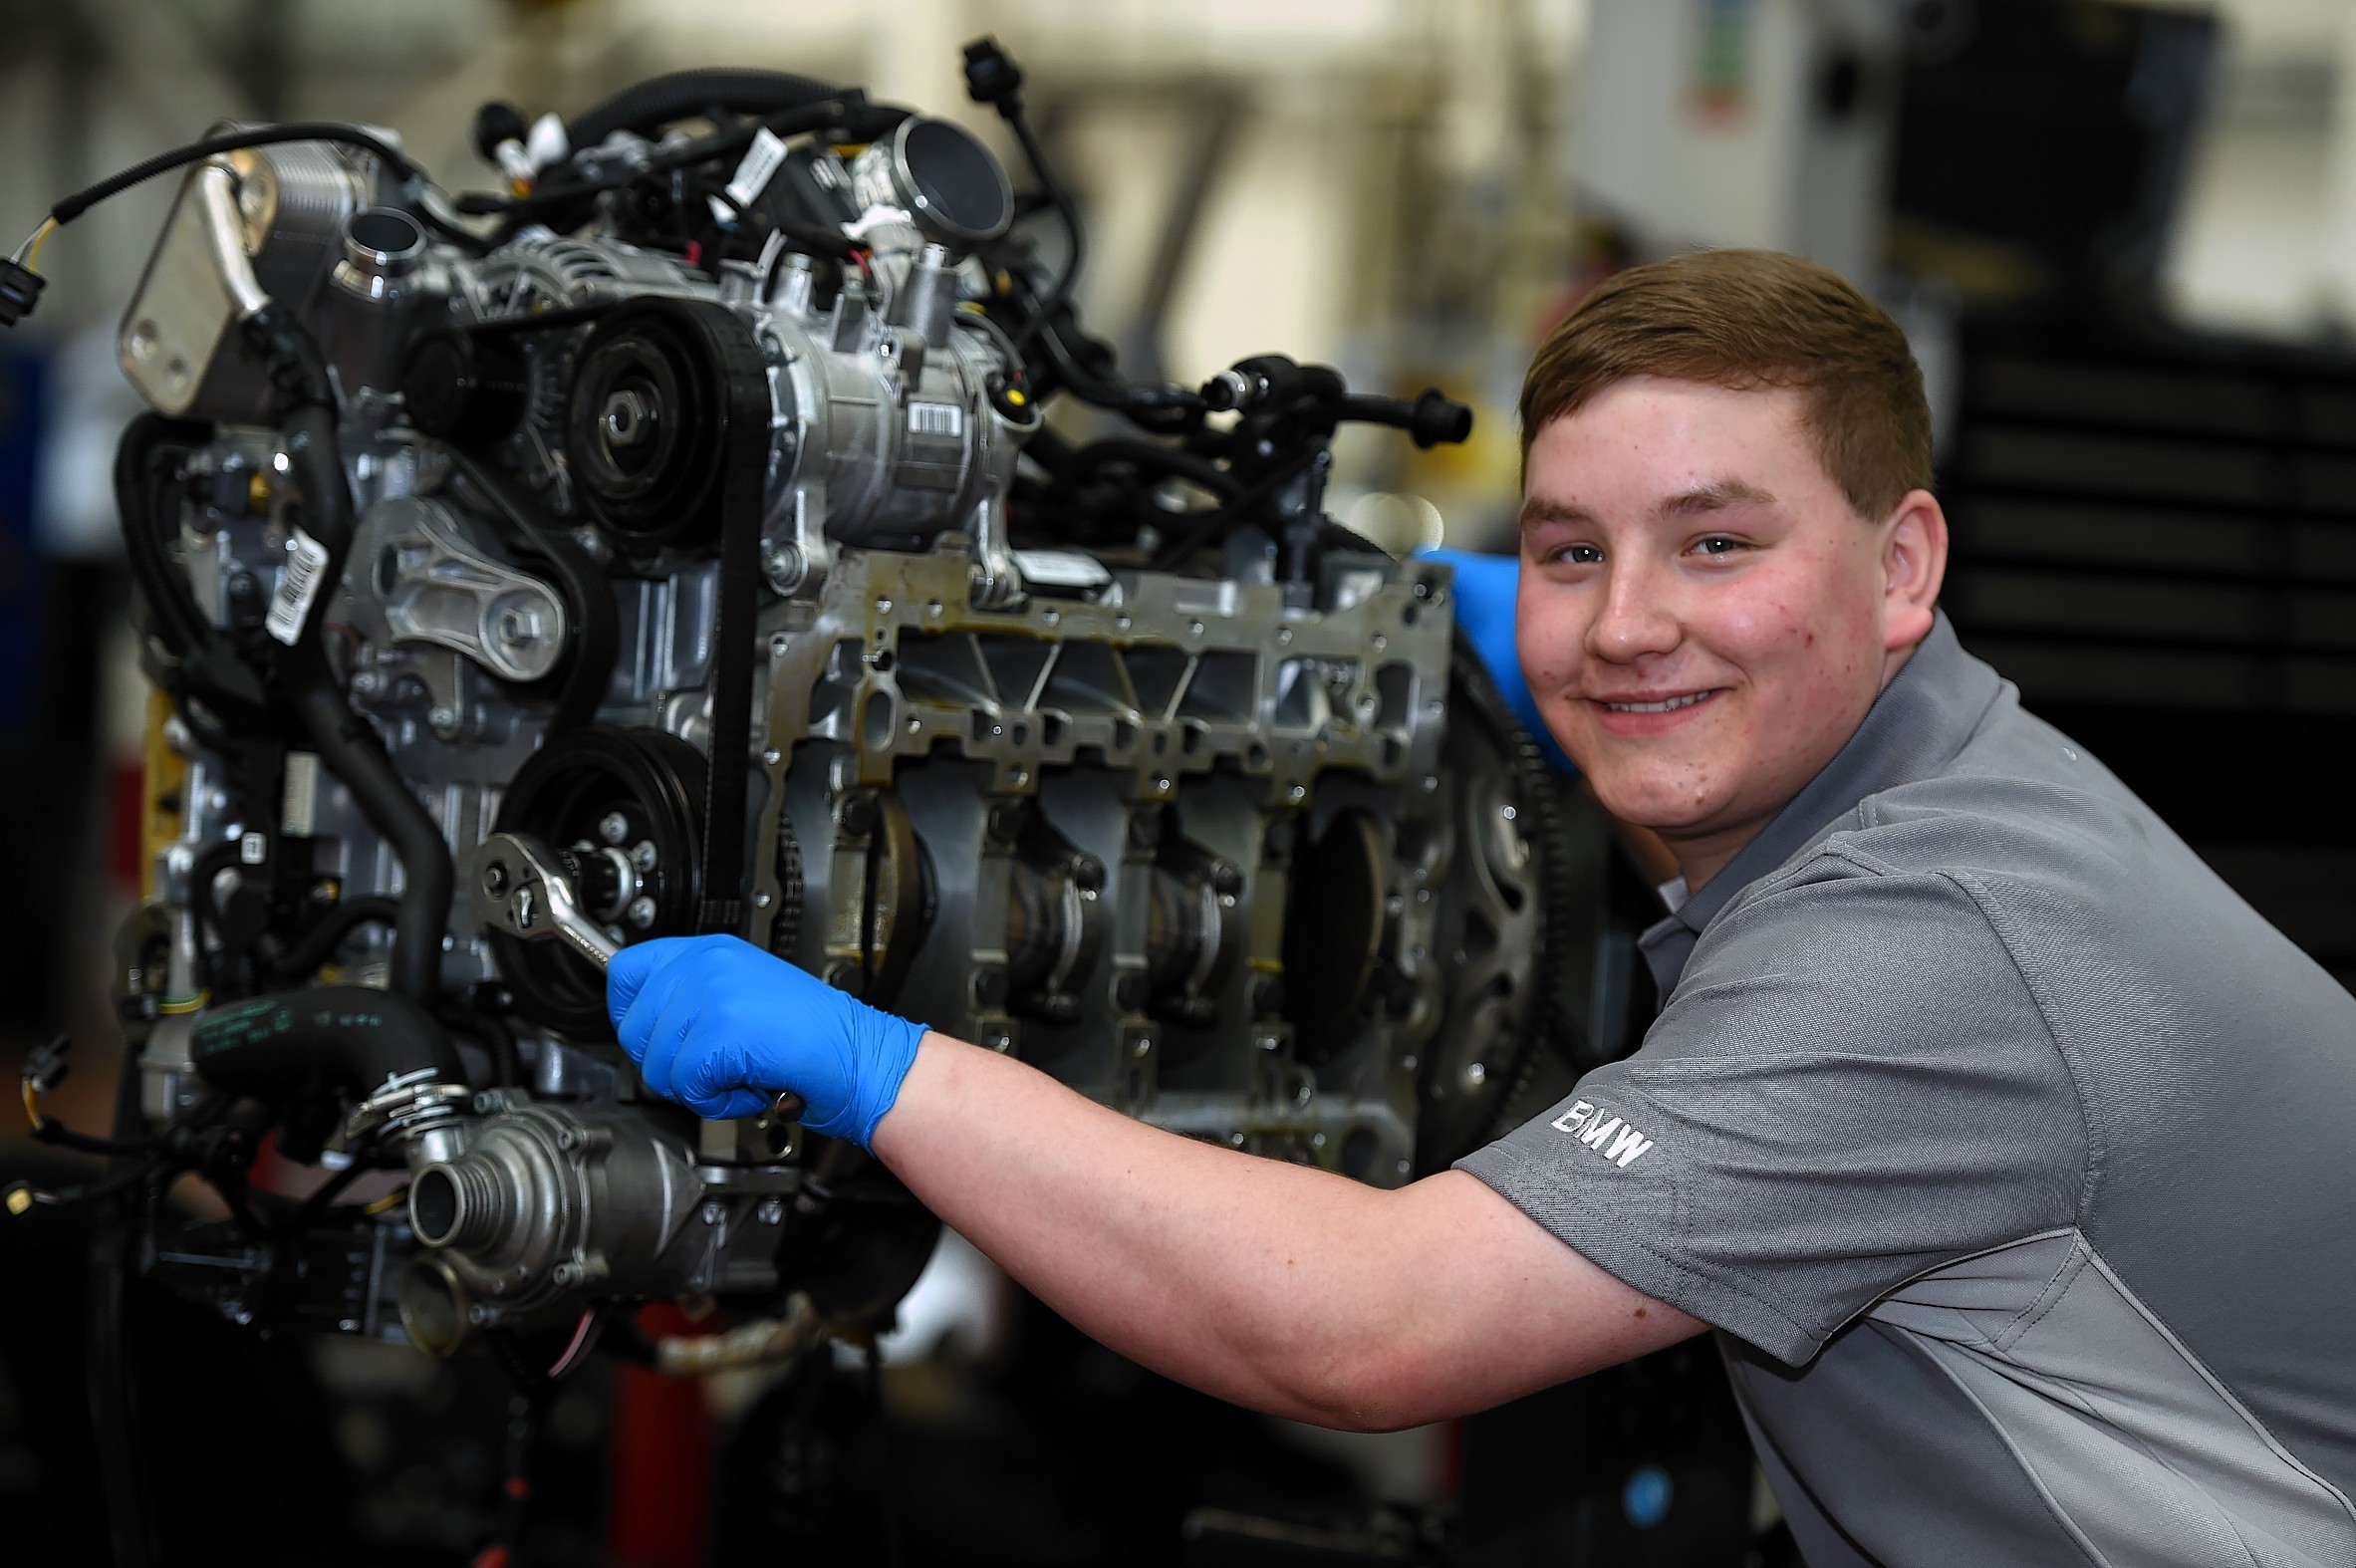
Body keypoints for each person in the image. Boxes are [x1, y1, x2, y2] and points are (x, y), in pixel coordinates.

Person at [605, 250, 2356, 1566]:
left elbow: (1367, 1327)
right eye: (1574, 552)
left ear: (1901, 566)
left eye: (1718, 543)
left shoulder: (1936, 943)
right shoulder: (1958, 795)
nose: (1620, 626)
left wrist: (869, 1063)